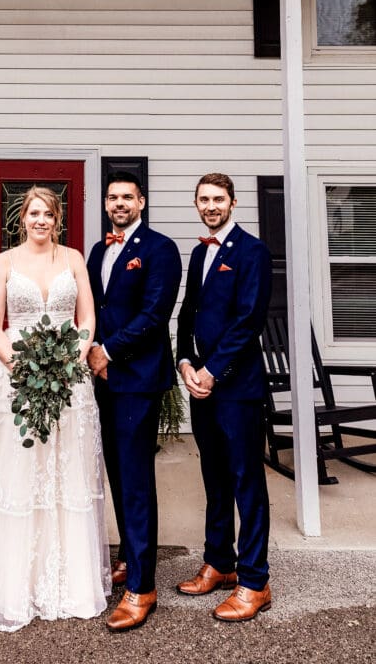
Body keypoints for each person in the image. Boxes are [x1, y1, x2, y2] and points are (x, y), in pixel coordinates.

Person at [0, 186, 110, 631]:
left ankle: (69, 583)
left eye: (48, 214)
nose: (40, 220)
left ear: (58, 219)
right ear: (21, 219)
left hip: (68, 377)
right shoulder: (3, 263)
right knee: (19, 473)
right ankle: (12, 583)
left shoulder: (75, 259)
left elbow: (86, 320)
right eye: (33, 213)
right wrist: (19, 365)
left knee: (65, 473)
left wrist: (71, 362)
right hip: (16, 376)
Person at [87, 171, 182, 633]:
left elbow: (154, 314)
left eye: (127, 197)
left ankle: (142, 587)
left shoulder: (160, 249)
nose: (119, 203)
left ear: (142, 201)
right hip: (102, 379)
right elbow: (92, 309)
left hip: (137, 379)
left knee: (136, 478)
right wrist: (88, 350)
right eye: (113, 197)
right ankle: (129, 553)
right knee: (119, 475)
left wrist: (108, 351)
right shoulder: (98, 250)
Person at [176, 172, 273, 622]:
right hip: (201, 386)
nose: (210, 206)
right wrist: (185, 363)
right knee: (214, 478)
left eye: (218, 199)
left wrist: (213, 371)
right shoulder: (199, 252)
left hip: (237, 388)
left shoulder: (251, 251)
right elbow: (189, 312)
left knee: (245, 482)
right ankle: (220, 562)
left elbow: (248, 320)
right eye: (203, 199)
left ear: (232, 203)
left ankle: (255, 581)